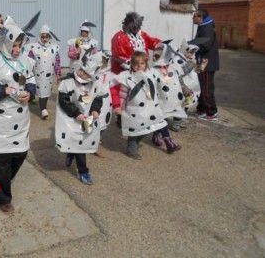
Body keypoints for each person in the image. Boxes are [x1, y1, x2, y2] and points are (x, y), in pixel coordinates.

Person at [0, 15, 37, 213]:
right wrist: (4, 90)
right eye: (14, 45)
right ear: (5, 42)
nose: (17, 49)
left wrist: (30, 92)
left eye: (20, 45)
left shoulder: (24, 61)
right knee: (2, 161)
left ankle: (2, 181)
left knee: (20, 154)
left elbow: (31, 81)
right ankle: (2, 197)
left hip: (19, 121)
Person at [55, 50, 112, 185]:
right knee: (73, 140)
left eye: (86, 73)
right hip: (71, 117)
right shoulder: (69, 82)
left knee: (82, 143)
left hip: (87, 118)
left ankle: (81, 168)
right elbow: (63, 100)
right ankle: (75, 161)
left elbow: (97, 99)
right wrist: (76, 113)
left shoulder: (96, 84)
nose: (81, 74)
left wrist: (95, 110)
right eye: (81, 70)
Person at [112, 51, 179, 159]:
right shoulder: (128, 77)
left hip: (151, 107)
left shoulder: (152, 73)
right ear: (132, 65)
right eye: (136, 64)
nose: (139, 66)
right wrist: (120, 107)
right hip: (135, 110)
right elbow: (123, 94)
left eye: (142, 63)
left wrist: (171, 78)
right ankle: (132, 148)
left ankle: (167, 141)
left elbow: (162, 80)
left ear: (146, 64)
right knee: (137, 129)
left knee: (154, 125)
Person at [152, 41, 188, 132]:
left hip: (176, 95)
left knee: (178, 108)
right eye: (155, 53)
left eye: (159, 53)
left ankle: (176, 123)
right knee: (162, 112)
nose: (156, 55)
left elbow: (179, 79)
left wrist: (185, 88)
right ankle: (159, 130)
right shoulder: (153, 70)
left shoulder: (173, 68)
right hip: (162, 96)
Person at [27, 25, 61, 119]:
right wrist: (28, 72)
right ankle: (43, 109)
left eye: (46, 37)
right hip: (39, 75)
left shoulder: (54, 48)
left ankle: (43, 107)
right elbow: (29, 60)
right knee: (41, 91)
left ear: (49, 37)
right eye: (43, 37)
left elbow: (57, 61)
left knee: (46, 91)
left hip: (50, 75)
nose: (44, 39)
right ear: (40, 37)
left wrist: (58, 73)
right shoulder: (34, 47)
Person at [192, 9, 219, 121]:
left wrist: (192, 47)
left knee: (207, 87)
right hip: (201, 61)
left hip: (207, 63)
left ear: (200, 17)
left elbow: (205, 45)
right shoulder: (203, 26)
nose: (192, 18)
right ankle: (202, 109)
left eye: (194, 16)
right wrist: (190, 43)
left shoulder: (207, 28)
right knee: (200, 85)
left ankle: (211, 112)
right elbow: (199, 41)